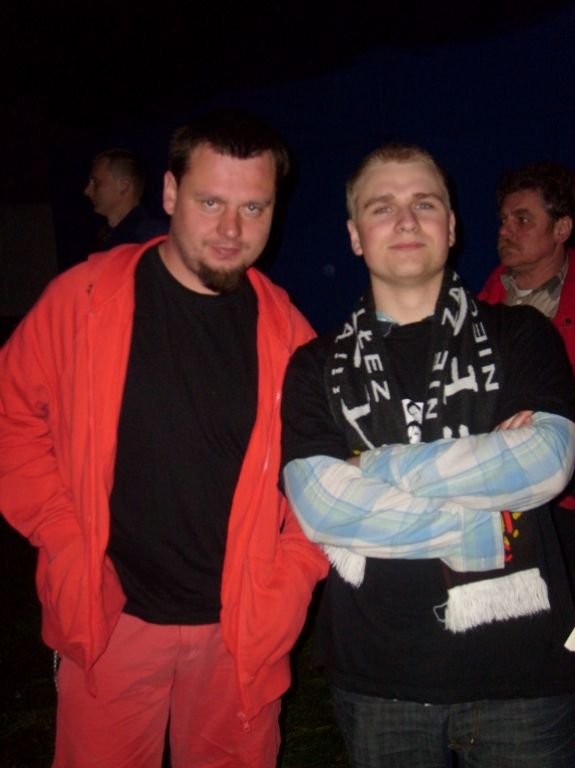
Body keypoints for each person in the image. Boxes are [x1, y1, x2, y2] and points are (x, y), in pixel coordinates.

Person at [0, 109, 327, 767]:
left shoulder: (291, 335)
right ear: (172, 193)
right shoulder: (82, 300)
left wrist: (289, 577)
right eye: (211, 202)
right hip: (111, 619)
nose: (231, 230)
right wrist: (63, 535)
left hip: (241, 631)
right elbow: (13, 419)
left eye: (253, 208)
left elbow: (323, 477)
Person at [281, 143, 575, 767]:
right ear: (355, 235)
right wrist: (485, 494)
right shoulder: (315, 365)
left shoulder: (523, 334)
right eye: (382, 207)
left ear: (451, 225)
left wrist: (370, 466)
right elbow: (324, 509)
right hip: (378, 677)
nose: (406, 220)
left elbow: (545, 463)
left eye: (424, 203)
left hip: (525, 675)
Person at [479, 161, 575, 592]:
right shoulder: (477, 307)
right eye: (503, 220)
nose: (505, 230)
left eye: (522, 219)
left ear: (561, 228)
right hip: (501, 504)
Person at [84, 148, 167, 249]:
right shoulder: (105, 237)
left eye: (96, 182)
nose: (87, 191)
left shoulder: (151, 239)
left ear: (124, 186)